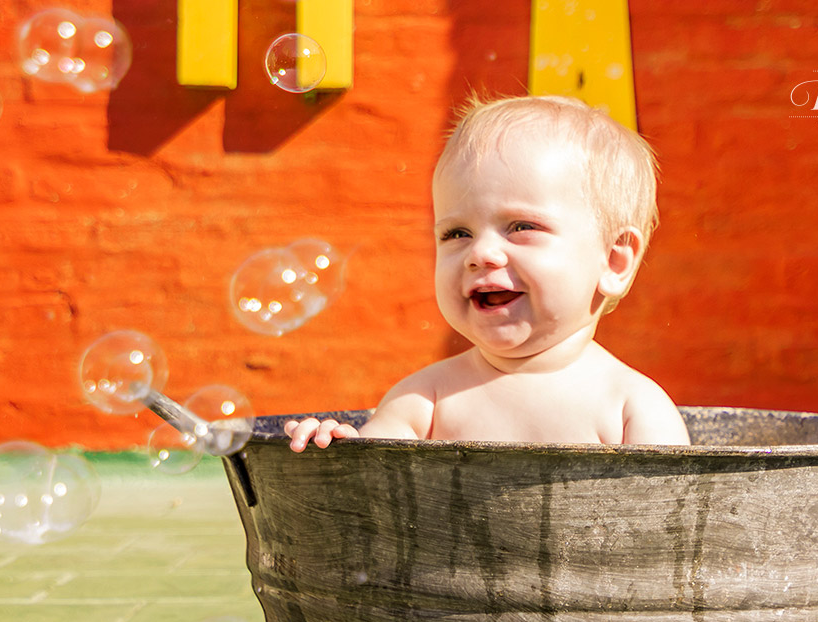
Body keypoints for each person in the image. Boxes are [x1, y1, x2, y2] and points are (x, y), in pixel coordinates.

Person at [286, 94, 690, 450]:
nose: (480, 253)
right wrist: (337, 447)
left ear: (614, 261)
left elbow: (674, 524)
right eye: (457, 233)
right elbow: (366, 496)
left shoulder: (631, 408)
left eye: (521, 227)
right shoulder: (425, 400)